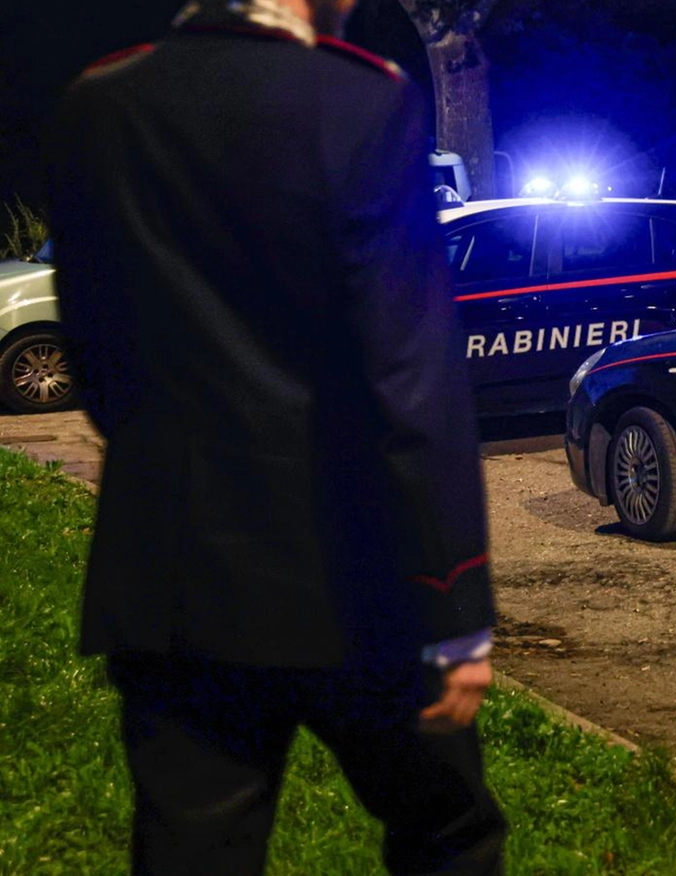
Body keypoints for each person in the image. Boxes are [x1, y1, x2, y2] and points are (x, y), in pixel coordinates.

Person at [46, 1, 507, 873]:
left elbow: (98, 352)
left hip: (172, 577)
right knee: (448, 834)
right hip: (355, 575)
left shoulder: (98, 104)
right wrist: (453, 608)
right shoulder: (362, 101)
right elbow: (411, 374)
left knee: (192, 851)